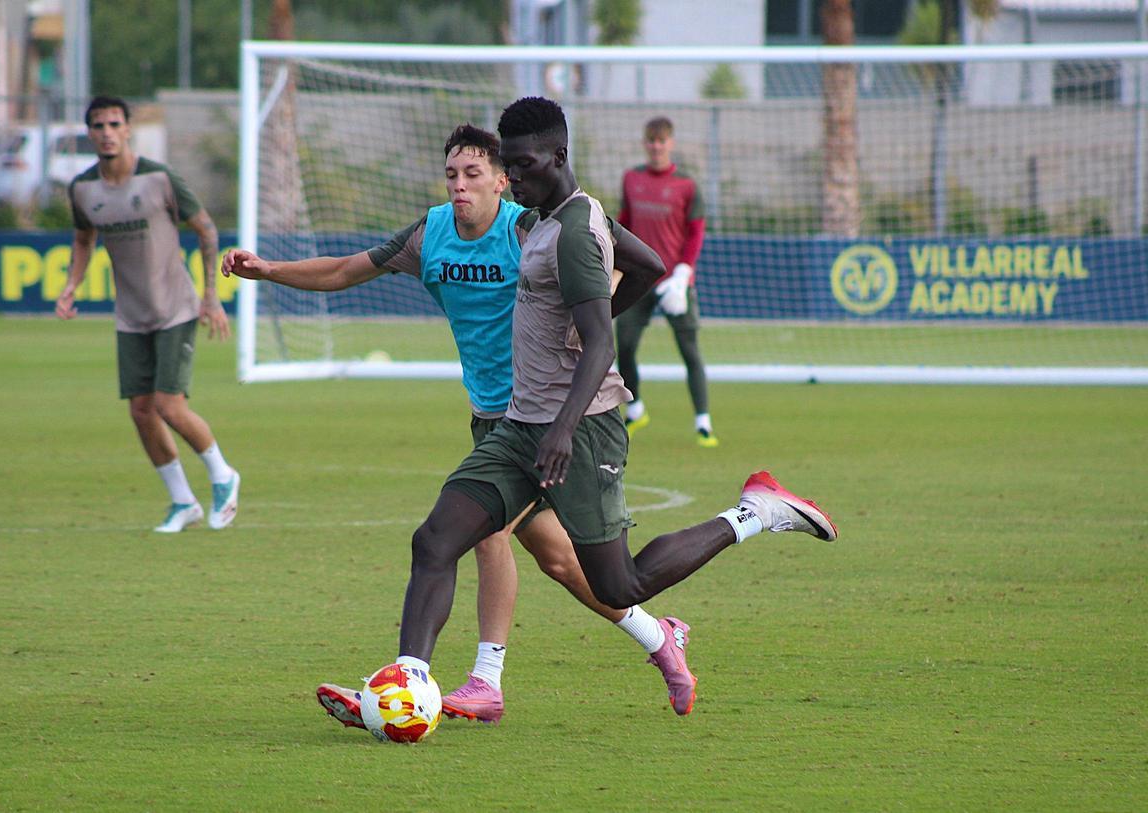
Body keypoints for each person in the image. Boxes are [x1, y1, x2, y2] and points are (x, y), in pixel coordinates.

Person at [320, 97, 838, 730]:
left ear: (559, 157)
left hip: (583, 430)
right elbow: (647, 267)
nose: (518, 176)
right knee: (435, 539)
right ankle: (408, 681)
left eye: (526, 163)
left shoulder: (570, 232)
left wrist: (564, 427)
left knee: (619, 584)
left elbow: (601, 342)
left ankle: (753, 513)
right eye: (508, 165)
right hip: (519, 426)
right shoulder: (542, 221)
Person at [222, 124, 700, 720]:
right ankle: (661, 639)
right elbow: (346, 270)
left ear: (505, 180)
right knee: (562, 563)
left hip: (548, 418)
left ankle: (475, 681)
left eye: (474, 174)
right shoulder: (431, 234)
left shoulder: (533, 227)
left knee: (480, 535)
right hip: (491, 416)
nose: (460, 186)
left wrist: (591, 323)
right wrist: (268, 271)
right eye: (452, 175)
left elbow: (635, 258)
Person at [55, 96, 240, 534]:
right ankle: (182, 501)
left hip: (175, 308)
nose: (106, 131)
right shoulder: (83, 188)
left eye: (114, 123)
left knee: (167, 405)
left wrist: (210, 297)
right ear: (89, 133)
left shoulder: (159, 178)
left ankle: (223, 475)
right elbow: (84, 239)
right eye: (97, 125)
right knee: (141, 411)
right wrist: (70, 286)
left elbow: (206, 229)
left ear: (127, 129)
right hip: (130, 315)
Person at [616, 116, 718, 447]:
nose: (656, 147)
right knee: (625, 344)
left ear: (670, 144)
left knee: (689, 350)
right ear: (645, 144)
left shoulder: (687, 185)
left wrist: (684, 272)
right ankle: (636, 409)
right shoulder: (632, 178)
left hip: (674, 280)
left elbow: (696, 232)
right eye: (651, 141)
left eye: (661, 141)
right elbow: (624, 224)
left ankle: (703, 421)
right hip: (640, 277)